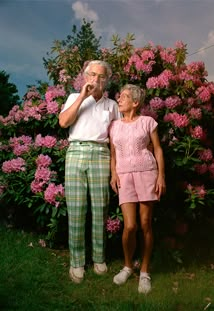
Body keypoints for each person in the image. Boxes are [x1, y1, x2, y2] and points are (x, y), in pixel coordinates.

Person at [59, 60, 121, 284]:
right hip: (76, 152)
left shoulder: (112, 105)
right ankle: (77, 262)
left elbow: (116, 141)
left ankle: (99, 257)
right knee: (76, 209)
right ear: (85, 77)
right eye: (92, 75)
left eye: (101, 76)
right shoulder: (72, 98)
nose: (96, 79)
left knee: (100, 208)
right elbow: (64, 122)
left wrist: (115, 171)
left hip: (101, 154)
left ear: (107, 80)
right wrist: (81, 98)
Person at [109, 84, 166, 294]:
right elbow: (113, 155)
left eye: (123, 96)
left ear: (135, 102)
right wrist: (113, 174)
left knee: (145, 224)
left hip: (147, 174)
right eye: (119, 96)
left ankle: (144, 271)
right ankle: (127, 265)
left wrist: (161, 175)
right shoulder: (114, 126)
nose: (119, 99)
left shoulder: (148, 122)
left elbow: (158, 149)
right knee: (130, 226)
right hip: (124, 176)